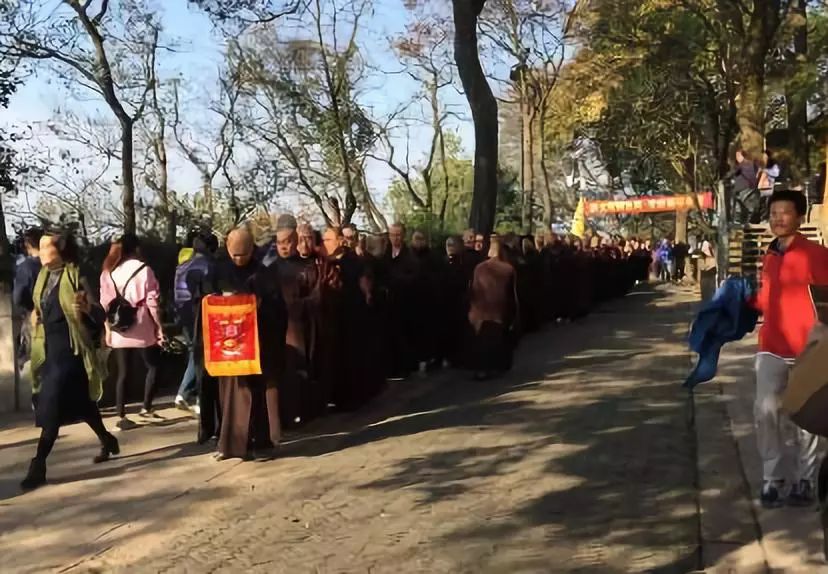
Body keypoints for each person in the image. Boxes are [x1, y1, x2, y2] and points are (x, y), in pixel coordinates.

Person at [21, 230, 118, 491]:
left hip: (71, 350)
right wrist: (35, 317)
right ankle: (107, 439)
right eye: (39, 248)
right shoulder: (41, 278)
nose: (40, 253)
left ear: (60, 250)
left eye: (46, 248)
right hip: (50, 350)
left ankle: (38, 465)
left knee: (50, 405)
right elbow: (39, 308)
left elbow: (99, 313)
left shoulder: (76, 276)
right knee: (83, 405)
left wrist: (86, 309)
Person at [750, 190, 828, 508]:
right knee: (764, 410)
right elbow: (766, 300)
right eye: (773, 212)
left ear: (799, 217)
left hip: (807, 349)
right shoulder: (770, 255)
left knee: (804, 417)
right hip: (771, 346)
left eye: (785, 212)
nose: (777, 218)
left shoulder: (816, 255)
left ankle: (805, 480)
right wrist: (741, 302)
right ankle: (772, 478)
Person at [210, 226, 285, 460]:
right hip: (227, 346)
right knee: (229, 395)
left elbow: (278, 307)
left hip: (255, 344)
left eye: (243, 254)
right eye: (234, 254)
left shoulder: (263, 273)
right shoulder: (218, 271)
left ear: (252, 249)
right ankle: (228, 445)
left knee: (255, 393)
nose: (239, 259)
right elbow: (203, 299)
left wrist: (260, 307)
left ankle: (259, 444)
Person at [99, 234, 164, 431]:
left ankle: (121, 415)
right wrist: (159, 326)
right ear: (136, 248)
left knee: (122, 373)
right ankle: (146, 407)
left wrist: (107, 329)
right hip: (143, 326)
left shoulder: (108, 272)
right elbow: (153, 301)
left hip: (119, 328)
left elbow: (104, 304)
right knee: (153, 366)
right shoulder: (145, 270)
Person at [173, 232, 217, 414]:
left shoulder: (182, 266)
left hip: (182, 314)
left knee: (195, 352)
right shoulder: (208, 266)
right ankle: (191, 394)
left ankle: (186, 393)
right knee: (202, 356)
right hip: (200, 315)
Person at [467, 235, 518, 380]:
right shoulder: (508, 269)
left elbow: (473, 290)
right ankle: (497, 366)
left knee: (482, 340)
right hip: (499, 309)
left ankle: (482, 369)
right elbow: (512, 294)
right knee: (497, 339)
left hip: (481, 310)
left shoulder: (480, 268)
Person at [14, 227, 43, 372]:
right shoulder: (54, 264)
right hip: (55, 319)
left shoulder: (26, 268)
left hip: (32, 316)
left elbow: (18, 297)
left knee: (31, 362)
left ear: (27, 245)